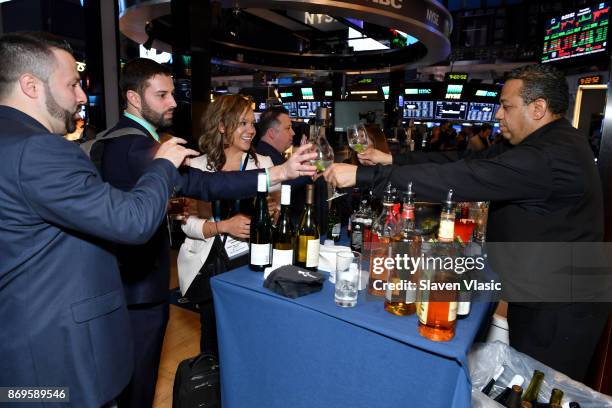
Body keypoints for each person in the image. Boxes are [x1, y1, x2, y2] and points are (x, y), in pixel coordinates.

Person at [324, 64, 610, 382]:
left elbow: (463, 178)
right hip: (540, 289)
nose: (498, 115)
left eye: (506, 106)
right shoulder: (543, 144)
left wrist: (363, 176)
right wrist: (392, 160)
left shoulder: (547, 157)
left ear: (538, 107)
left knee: (539, 389)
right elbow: (463, 161)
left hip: (561, 307)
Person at [99, 59, 315, 407]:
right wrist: (278, 174)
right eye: (163, 95)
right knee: (139, 379)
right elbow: (202, 184)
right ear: (134, 99)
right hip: (138, 288)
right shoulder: (136, 145)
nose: (173, 102)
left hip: (139, 282)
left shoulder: (135, 141)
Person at [0, 32, 200, 407]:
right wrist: (162, 166)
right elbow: (131, 221)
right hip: (55, 359)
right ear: (30, 85)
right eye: (73, 83)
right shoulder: (39, 149)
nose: (81, 96)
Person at [178, 94, 276, 356]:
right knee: (212, 341)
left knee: (249, 337)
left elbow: (275, 214)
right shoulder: (197, 167)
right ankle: (212, 393)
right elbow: (186, 224)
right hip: (213, 265)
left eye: (252, 123)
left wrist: (272, 214)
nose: (251, 130)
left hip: (252, 263)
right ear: (222, 125)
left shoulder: (263, 165)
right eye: (242, 123)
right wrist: (224, 226)